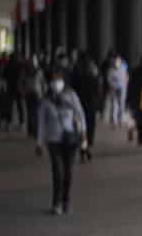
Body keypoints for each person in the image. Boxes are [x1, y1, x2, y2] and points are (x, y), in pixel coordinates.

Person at [36, 68, 86, 215]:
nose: (56, 82)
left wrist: (83, 131)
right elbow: (40, 122)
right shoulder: (46, 101)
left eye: (58, 79)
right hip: (53, 140)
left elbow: (80, 113)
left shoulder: (71, 96)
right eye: (53, 79)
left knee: (68, 172)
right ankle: (56, 202)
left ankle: (66, 200)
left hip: (70, 139)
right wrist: (38, 142)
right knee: (58, 171)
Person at [71, 52, 101, 163]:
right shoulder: (92, 72)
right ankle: (87, 145)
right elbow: (97, 90)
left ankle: (83, 147)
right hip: (90, 104)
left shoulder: (75, 72)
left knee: (80, 127)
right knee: (89, 127)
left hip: (79, 104)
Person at [106, 52, 128, 127]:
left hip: (122, 88)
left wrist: (124, 86)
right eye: (116, 59)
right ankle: (114, 120)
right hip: (114, 89)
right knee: (114, 104)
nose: (117, 61)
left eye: (118, 59)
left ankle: (120, 119)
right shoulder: (111, 70)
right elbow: (109, 80)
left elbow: (125, 78)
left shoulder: (123, 68)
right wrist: (114, 86)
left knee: (122, 104)